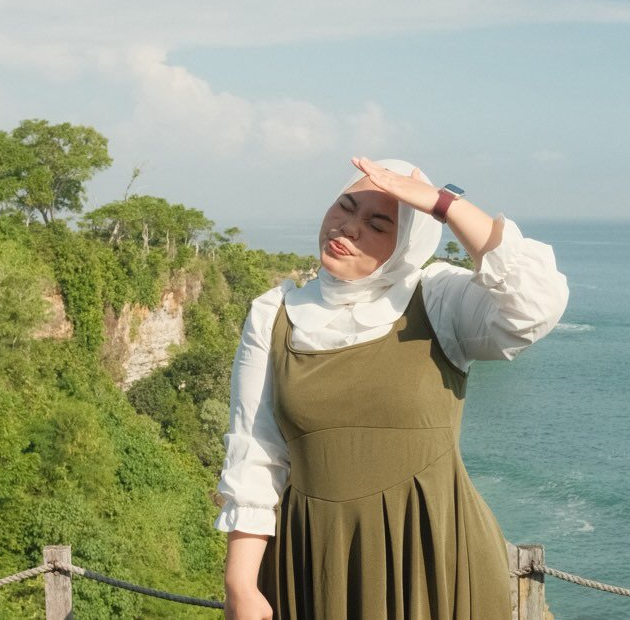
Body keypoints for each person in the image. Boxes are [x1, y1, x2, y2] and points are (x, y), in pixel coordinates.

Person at [216, 157, 569, 620]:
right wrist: (240, 583)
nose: (348, 228)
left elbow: (535, 305)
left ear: (407, 243)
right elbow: (255, 451)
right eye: (345, 207)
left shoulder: (436, 300)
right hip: (313, 556)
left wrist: (444, 205)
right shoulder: (273, 314)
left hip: (433, 553)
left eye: (378, 224)